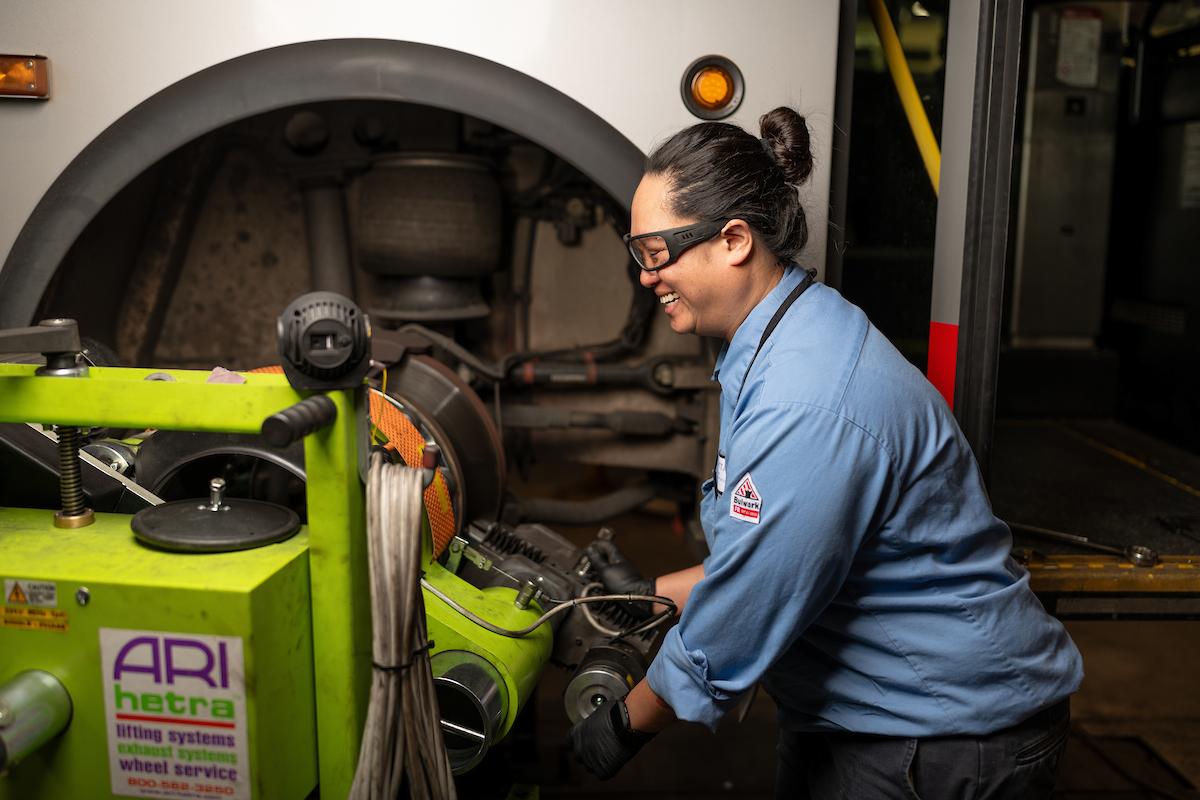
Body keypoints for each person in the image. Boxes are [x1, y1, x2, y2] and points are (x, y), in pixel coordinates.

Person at [567, 107, 1084, 798]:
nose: (645, 277)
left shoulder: (808, 396)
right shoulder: (782, 340)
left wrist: (626, 723)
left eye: (655, 254)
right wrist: (650, 598)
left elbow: (748, 610)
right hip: (884, 718)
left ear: (733, 240)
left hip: (945, 736)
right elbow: (782, 550)